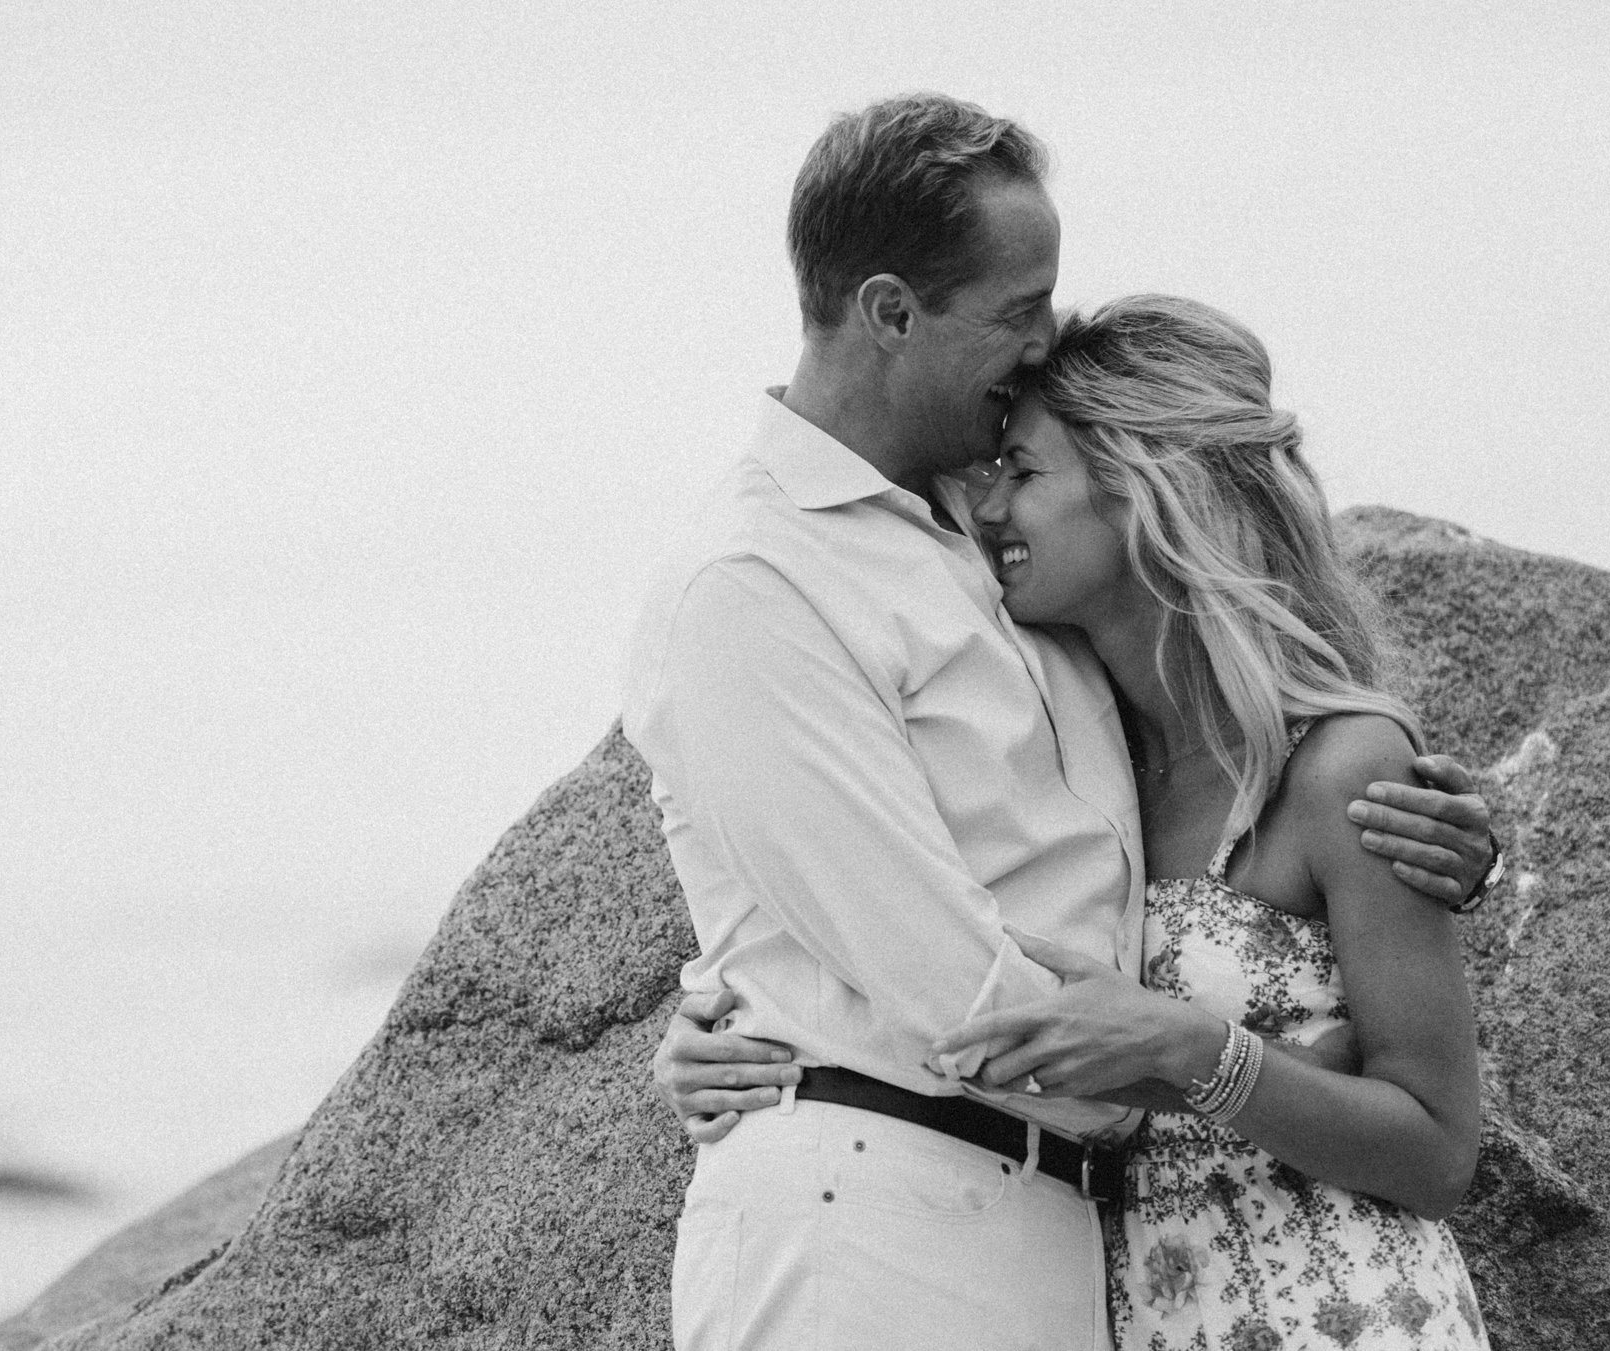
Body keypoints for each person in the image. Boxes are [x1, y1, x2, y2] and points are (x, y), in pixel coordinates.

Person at [625, 93, 1497, 1351]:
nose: (1038, 345)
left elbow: (1056, 871)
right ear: (888, 311)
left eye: (1025, 476)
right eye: (1016, 310)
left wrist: (1448, 856)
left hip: (1142, 1272)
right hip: (890, 1228)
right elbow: (924, 971)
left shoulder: (990, 571)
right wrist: (748, 1013)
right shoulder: (762, 579)